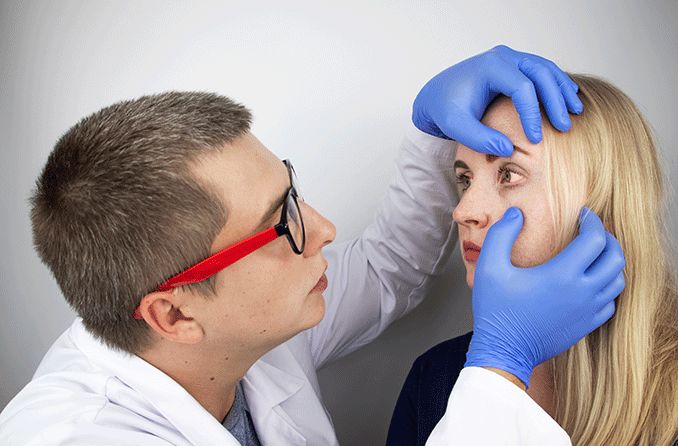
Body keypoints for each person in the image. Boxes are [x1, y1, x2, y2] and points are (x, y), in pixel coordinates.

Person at [0, 47, 625, 445]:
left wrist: (433, 128)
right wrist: (500, 365)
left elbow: (390, 267)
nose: (323, 229)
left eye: (293, 193)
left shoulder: (245, 332)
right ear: (174, 313)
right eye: (282, 224)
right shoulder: (71, 436)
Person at [386, 74, 678, 446]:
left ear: (604, 202)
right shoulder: (435, 378)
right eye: (465, 179)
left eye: (508, 174)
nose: (463, 210)